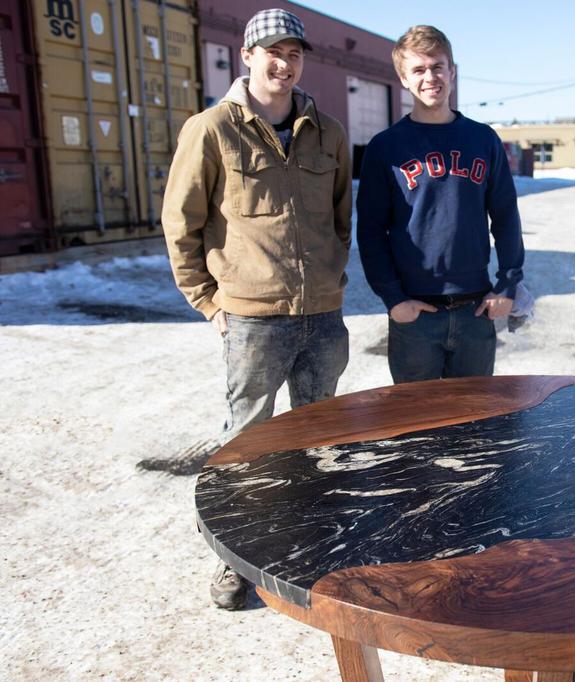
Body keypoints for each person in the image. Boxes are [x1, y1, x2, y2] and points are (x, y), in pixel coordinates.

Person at [161, 8, 352, 610]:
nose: (283, 63)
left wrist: (329, 280)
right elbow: (180, 221)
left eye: (294, 53)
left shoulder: (329, 133)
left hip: (321, 316)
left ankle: (310, 546)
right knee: (247, 441)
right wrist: (208, 302)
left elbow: (341, 217)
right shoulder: (212, 129)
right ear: (246, 56)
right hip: (252, 318)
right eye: (272, 51)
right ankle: (235, 560)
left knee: (319, 435)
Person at [356, 25, 525, 384]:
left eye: (437, 66)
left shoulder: (483, 139)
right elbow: (371, 231)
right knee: (418, 426)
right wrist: (393, 299)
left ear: (452, 71)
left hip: (475, 311)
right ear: (403, 78)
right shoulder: (386, 147)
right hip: (414, 314)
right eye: (418, 70)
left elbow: (506, 217)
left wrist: (508, 285)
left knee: (474, 424)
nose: (429, 77)